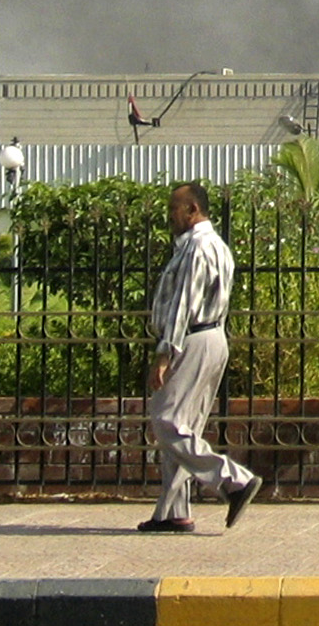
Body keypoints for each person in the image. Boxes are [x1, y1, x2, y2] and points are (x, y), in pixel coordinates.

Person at [138, 181, 261, 533]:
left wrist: (164, 352)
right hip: (211, 336)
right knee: (184, 427)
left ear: (193, 210)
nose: (170, 215)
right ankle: (174, 512)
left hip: (191, 338)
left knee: (167, 422)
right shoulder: (216, 246)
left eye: (175, 208)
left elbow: (182, 305)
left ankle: (234, 480)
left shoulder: (197, 248)